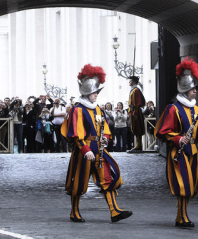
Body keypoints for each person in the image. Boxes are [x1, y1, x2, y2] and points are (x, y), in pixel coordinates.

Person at [62, 64, 133, 223]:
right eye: (94, 92)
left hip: (99, 150)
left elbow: (105, 128)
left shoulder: (98, 110)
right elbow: (75, 133)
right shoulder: (77, 109)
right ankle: (74, 212)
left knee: (107, 179)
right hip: (84, 151)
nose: (96, 95)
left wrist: (106, 137)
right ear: (87, 93)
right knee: (79, 183)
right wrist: (85, 149)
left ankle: (114, 211)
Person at [154, 57, 198, 228]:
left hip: (193, 151)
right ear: (186, 90)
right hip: (178, 152)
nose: (195, 91)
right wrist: (178, 138)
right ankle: (181, 216)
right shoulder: (173, 109)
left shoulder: (197, 110)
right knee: (183, 184)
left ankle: (183, 214)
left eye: (196, 88)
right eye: (193, 88)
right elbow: (161, 132)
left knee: (192, 186)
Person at [127, 75, 146, 152]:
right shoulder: (133, 90)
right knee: (135, 128)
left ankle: (139, 145)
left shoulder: (136, 90)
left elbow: (137, 103)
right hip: (133, 111)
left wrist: (134, 112)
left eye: (130, 81)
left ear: (134, 82)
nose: (129, 82)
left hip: (136, 112)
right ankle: (137, 144)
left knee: (138, 128)